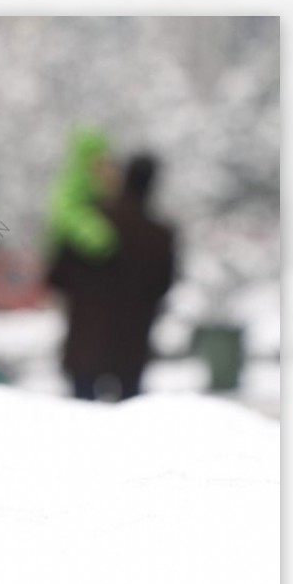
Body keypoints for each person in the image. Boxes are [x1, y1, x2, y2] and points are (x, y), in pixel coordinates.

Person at [47, 150, 176, 401]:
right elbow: (164, 285)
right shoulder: (159, 235)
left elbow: (56, 278)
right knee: (128, 421)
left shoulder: (86, 226)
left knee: (81, 419)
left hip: (85, 344)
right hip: (132, 346)